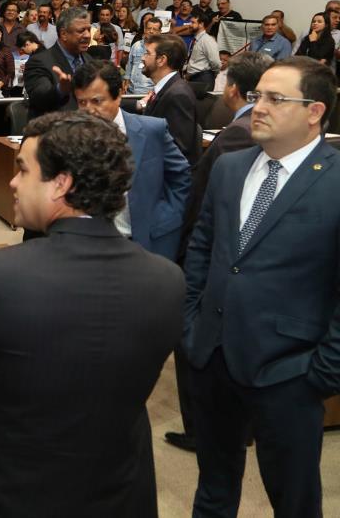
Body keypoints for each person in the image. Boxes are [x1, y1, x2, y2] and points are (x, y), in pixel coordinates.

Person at [0, 111, 182, 516]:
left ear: (61, 184)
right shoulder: (169, 281)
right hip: (119, 490)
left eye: (22, 170)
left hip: (9, 491)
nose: (13, 183)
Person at [184, 57, 340, 517]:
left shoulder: (335, 179)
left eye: (276, 99)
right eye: (257, 97)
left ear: (314, 111)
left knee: (293, 499)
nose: (258, 107)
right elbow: (201, 247)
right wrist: (190, 323)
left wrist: (323, 372)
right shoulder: (230, 168)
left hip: (290, 371)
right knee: (213, 488)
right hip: (212, 357)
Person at [167, 52, 268, 453]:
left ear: (232, 88)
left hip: (211, 261)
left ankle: (205, 432)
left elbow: (210, 207)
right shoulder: (242, 130)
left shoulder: (237, 135)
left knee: (197, 345)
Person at [73, 61, 191, 258]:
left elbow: (181, 175)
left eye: (96, 101)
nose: (89, 111)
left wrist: (169, 214)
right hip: (93, 247)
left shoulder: (152, 130)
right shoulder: (70, 138)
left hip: (148, 240)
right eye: (81, 102)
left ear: (118, 95)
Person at [140, 33, 202, 164]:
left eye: (147, 53)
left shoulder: (178, 95)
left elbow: (178, 149)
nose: (142, 58)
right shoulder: (166, 89)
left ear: (161, 60)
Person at [24, 6, 94, 118]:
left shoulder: (90, 60)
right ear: (64, 34)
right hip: (54, 131)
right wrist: (60, 90)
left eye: (89, 30)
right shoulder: (38, 62)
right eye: (81, 31)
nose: (87, 35)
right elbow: (40, 98)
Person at [126, 15, 160, 94]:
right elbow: (130, 63)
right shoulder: (136, 45)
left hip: (148, 91)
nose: (151, 31)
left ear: (159, 32)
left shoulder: (161, 49)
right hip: (131, 89)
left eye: (154, 29)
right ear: (145, 29)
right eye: (149, 28)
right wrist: (126, 79)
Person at [187, 11, 222, 87]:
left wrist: (211, 75)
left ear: (201, 24)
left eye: (193, 22)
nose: (190, 25)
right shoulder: (195, 39)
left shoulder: (207, 40)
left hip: (203, 79)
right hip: (194, 78)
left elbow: (216, 63)